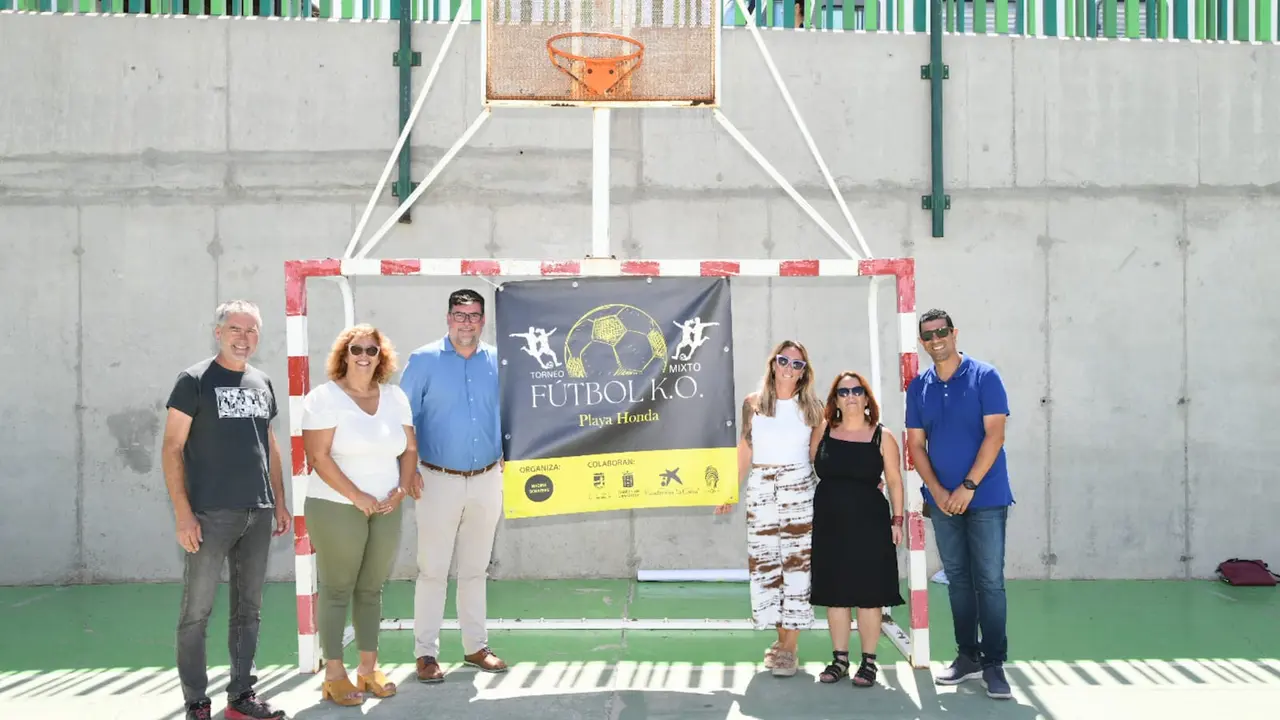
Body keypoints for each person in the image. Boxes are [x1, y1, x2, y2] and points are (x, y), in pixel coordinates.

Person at [161, 300, 290, 720]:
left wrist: (280, 501)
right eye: (236, 329)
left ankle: (242, 694)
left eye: (252, 330)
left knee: (248, 608)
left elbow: (269, 444)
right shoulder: (194, 380)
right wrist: (183, 513)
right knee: (196, 612)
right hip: (210, 515)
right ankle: (197, 701)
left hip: (258, 510)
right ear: (219, 332)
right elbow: (172, 447)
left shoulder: (261, 381)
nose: (244, 337)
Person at [300, 324, 418, 706]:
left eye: (372, 349)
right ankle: (335, 675)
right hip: (337, 506)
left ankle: (368, 669)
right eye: (356, 349)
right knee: (337, 589)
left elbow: (410, 449)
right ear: (344, 355)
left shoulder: (395, 396)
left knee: (371, 589)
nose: (364, 356)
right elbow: (317, 458)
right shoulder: (324, 398)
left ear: (381, 356)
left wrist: (401, 490)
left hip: (386, 505)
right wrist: (358, 496)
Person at [398, 289, 509, 683]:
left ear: (483, 320)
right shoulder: (423, 360)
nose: (467, 322)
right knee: (432, 570)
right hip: (435, 480)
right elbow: (403, 418)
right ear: (448, 318)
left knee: (476, 569)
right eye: (460, 315)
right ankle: (425, 653)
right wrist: (406, 471)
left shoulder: (499, 361)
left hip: (487, 479)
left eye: (474, 315)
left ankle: (476, 647)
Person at [905, 308, 1014, 700]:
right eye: (929, 336)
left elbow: (995, 435)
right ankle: (967, 656)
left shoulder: (986, 376)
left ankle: (994, 664)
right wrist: (935, 489)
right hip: (943, 502)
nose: (937, 340)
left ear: (954, 333)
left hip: (985, 498)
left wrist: (967, 486)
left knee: (989, 581)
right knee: (958, 581)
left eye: (942, 332)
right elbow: (915, 444)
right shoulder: (919, 386)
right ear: (923, 342)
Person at [715, 340, 824, 678]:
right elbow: (746, 448)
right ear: (773, 364)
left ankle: (790, 648)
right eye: (784, 361)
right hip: (761, 491)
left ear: (805, 372)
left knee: (797, 569)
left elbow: (818, 457)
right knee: (767, 568)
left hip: (799, 493)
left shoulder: (814, 409)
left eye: (797, 364)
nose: (790, 368)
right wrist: (729, 488)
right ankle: (781, 641)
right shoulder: (753, 404)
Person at [808, 371, 906, 687]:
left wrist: (898, 520)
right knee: (835, 596)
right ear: (835, 400)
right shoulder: (822, 431)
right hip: (830, 524)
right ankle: (839, 660)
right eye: (843, 391)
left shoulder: (882, 436)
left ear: (866, 398)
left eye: (857, 390)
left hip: (870, 525)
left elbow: (893, 480)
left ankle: (868, 663)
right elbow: (815, 464)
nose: (850, 396)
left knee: (868, 595)